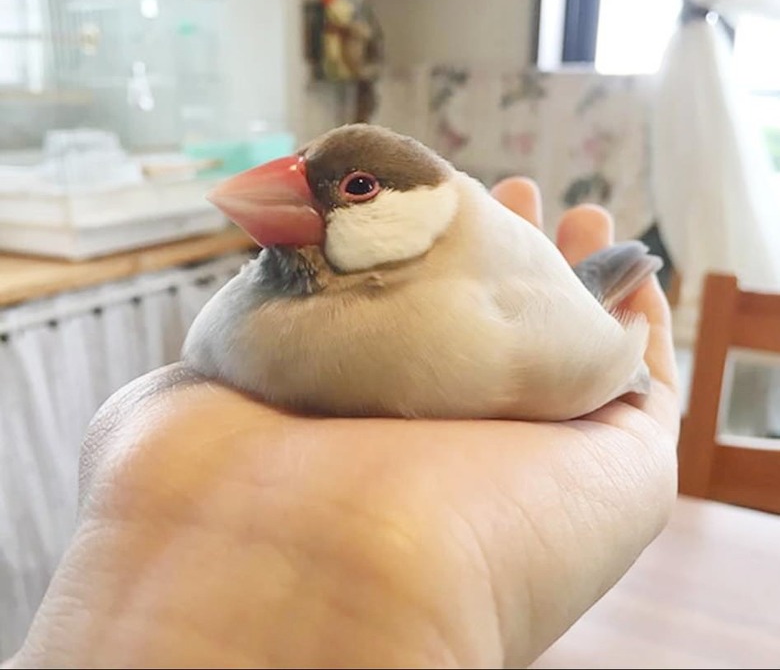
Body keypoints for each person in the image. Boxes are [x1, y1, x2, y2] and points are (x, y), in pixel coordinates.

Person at [6, 177, 679, 669]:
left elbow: (607, 354)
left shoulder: (486, 315)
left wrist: (622, 372)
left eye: (354, 189)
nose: (285, 194)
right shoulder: (248, 303)